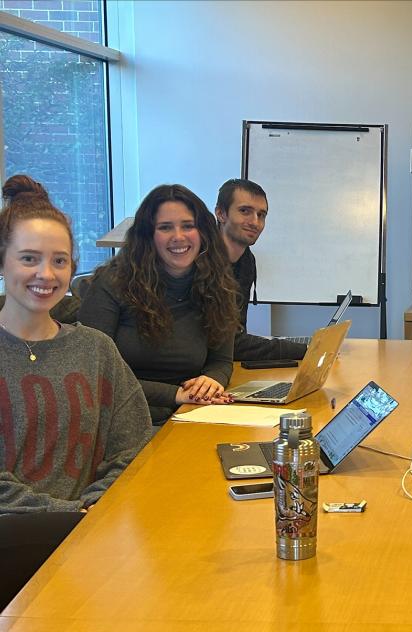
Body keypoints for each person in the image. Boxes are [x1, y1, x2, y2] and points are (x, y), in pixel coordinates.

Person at [0, 175, 151, 608]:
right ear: (4, 262)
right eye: (29, 258)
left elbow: (133, 446)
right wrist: (66, 516)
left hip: (92, 539)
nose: (46, 275)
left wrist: (94, 507)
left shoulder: (94, 349)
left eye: (60, 261)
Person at [79, 184, 240, 425]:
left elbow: (221, 359)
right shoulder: (113, 283)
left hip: (188, 415)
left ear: (203, 232)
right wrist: (175, 394)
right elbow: (93, 372)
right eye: (165, 227)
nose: (178, 236)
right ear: (148, 236)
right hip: (124, 420)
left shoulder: (217, 284)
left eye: (188, 226)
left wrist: (212, 380)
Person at [215, 178, 307, 361]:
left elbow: (238, 330)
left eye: (261, 215)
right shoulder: (199, 262)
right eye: (245, 211)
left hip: (225, 368)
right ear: (221, 213)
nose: (255, 222)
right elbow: (226, 343)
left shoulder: (247, 261)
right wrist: (305, 350)